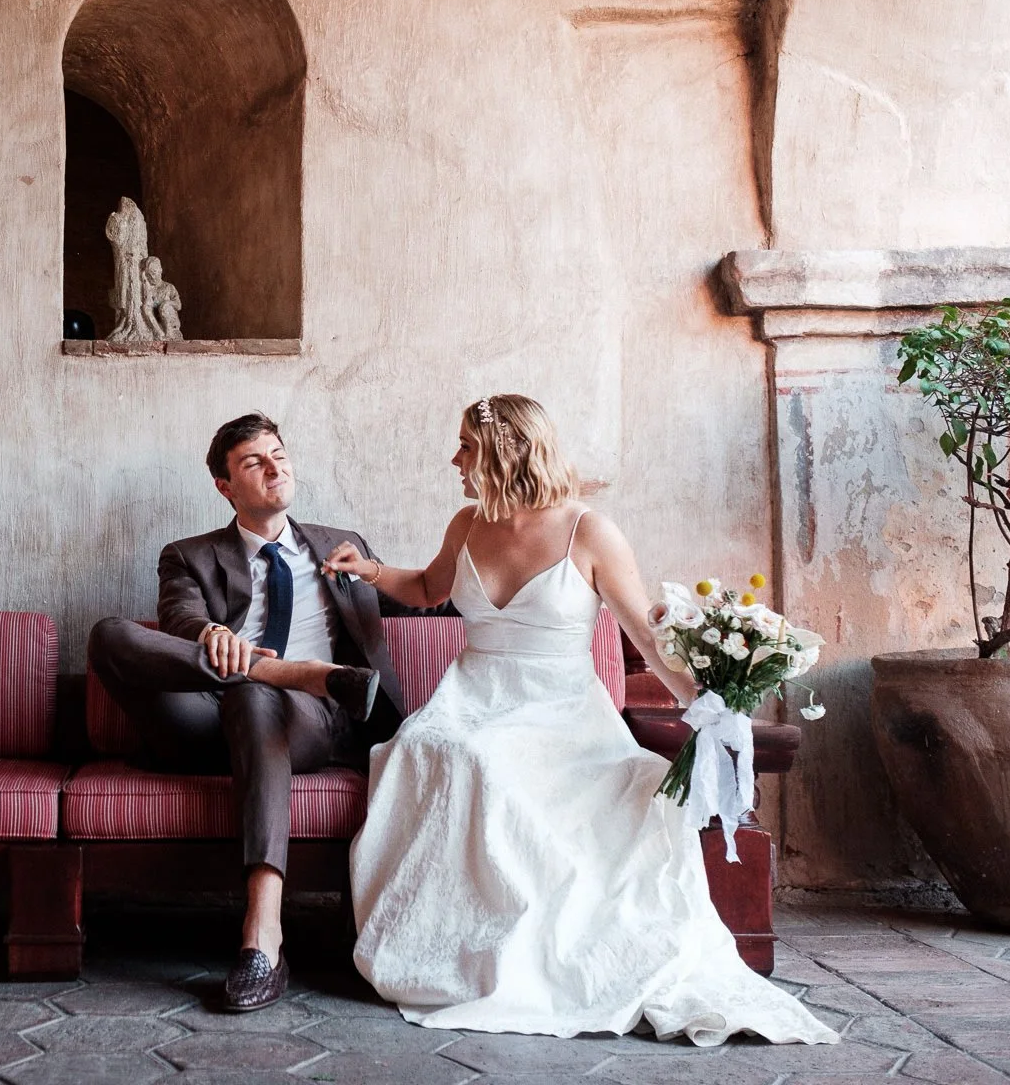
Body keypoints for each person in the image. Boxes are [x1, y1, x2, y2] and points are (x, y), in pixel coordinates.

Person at [322, 394, 838, 1046]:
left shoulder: (588, 531)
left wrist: (706, 707)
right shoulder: (468, 523)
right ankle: (463, 949)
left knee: (572, 776)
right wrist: (366, 569)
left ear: (510, 451)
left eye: (466, 446)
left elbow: (647, 637)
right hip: (474, 698)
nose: (454, 458)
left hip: (562, 713)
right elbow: (428, 589)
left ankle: (563, 953)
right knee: (443, 749)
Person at [89, 412, 420, 1013]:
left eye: (279, 454)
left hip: (312, 720)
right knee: (110, 634)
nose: (275, 468)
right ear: (225, 486)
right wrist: (214, 634)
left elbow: (426, 603)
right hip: (204, 718)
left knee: (254, 694)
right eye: (254, 462)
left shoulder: (340, 544)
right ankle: (273, 669)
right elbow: (181, 622)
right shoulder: (188, 555)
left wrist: (507, 584)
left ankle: (263, 933)